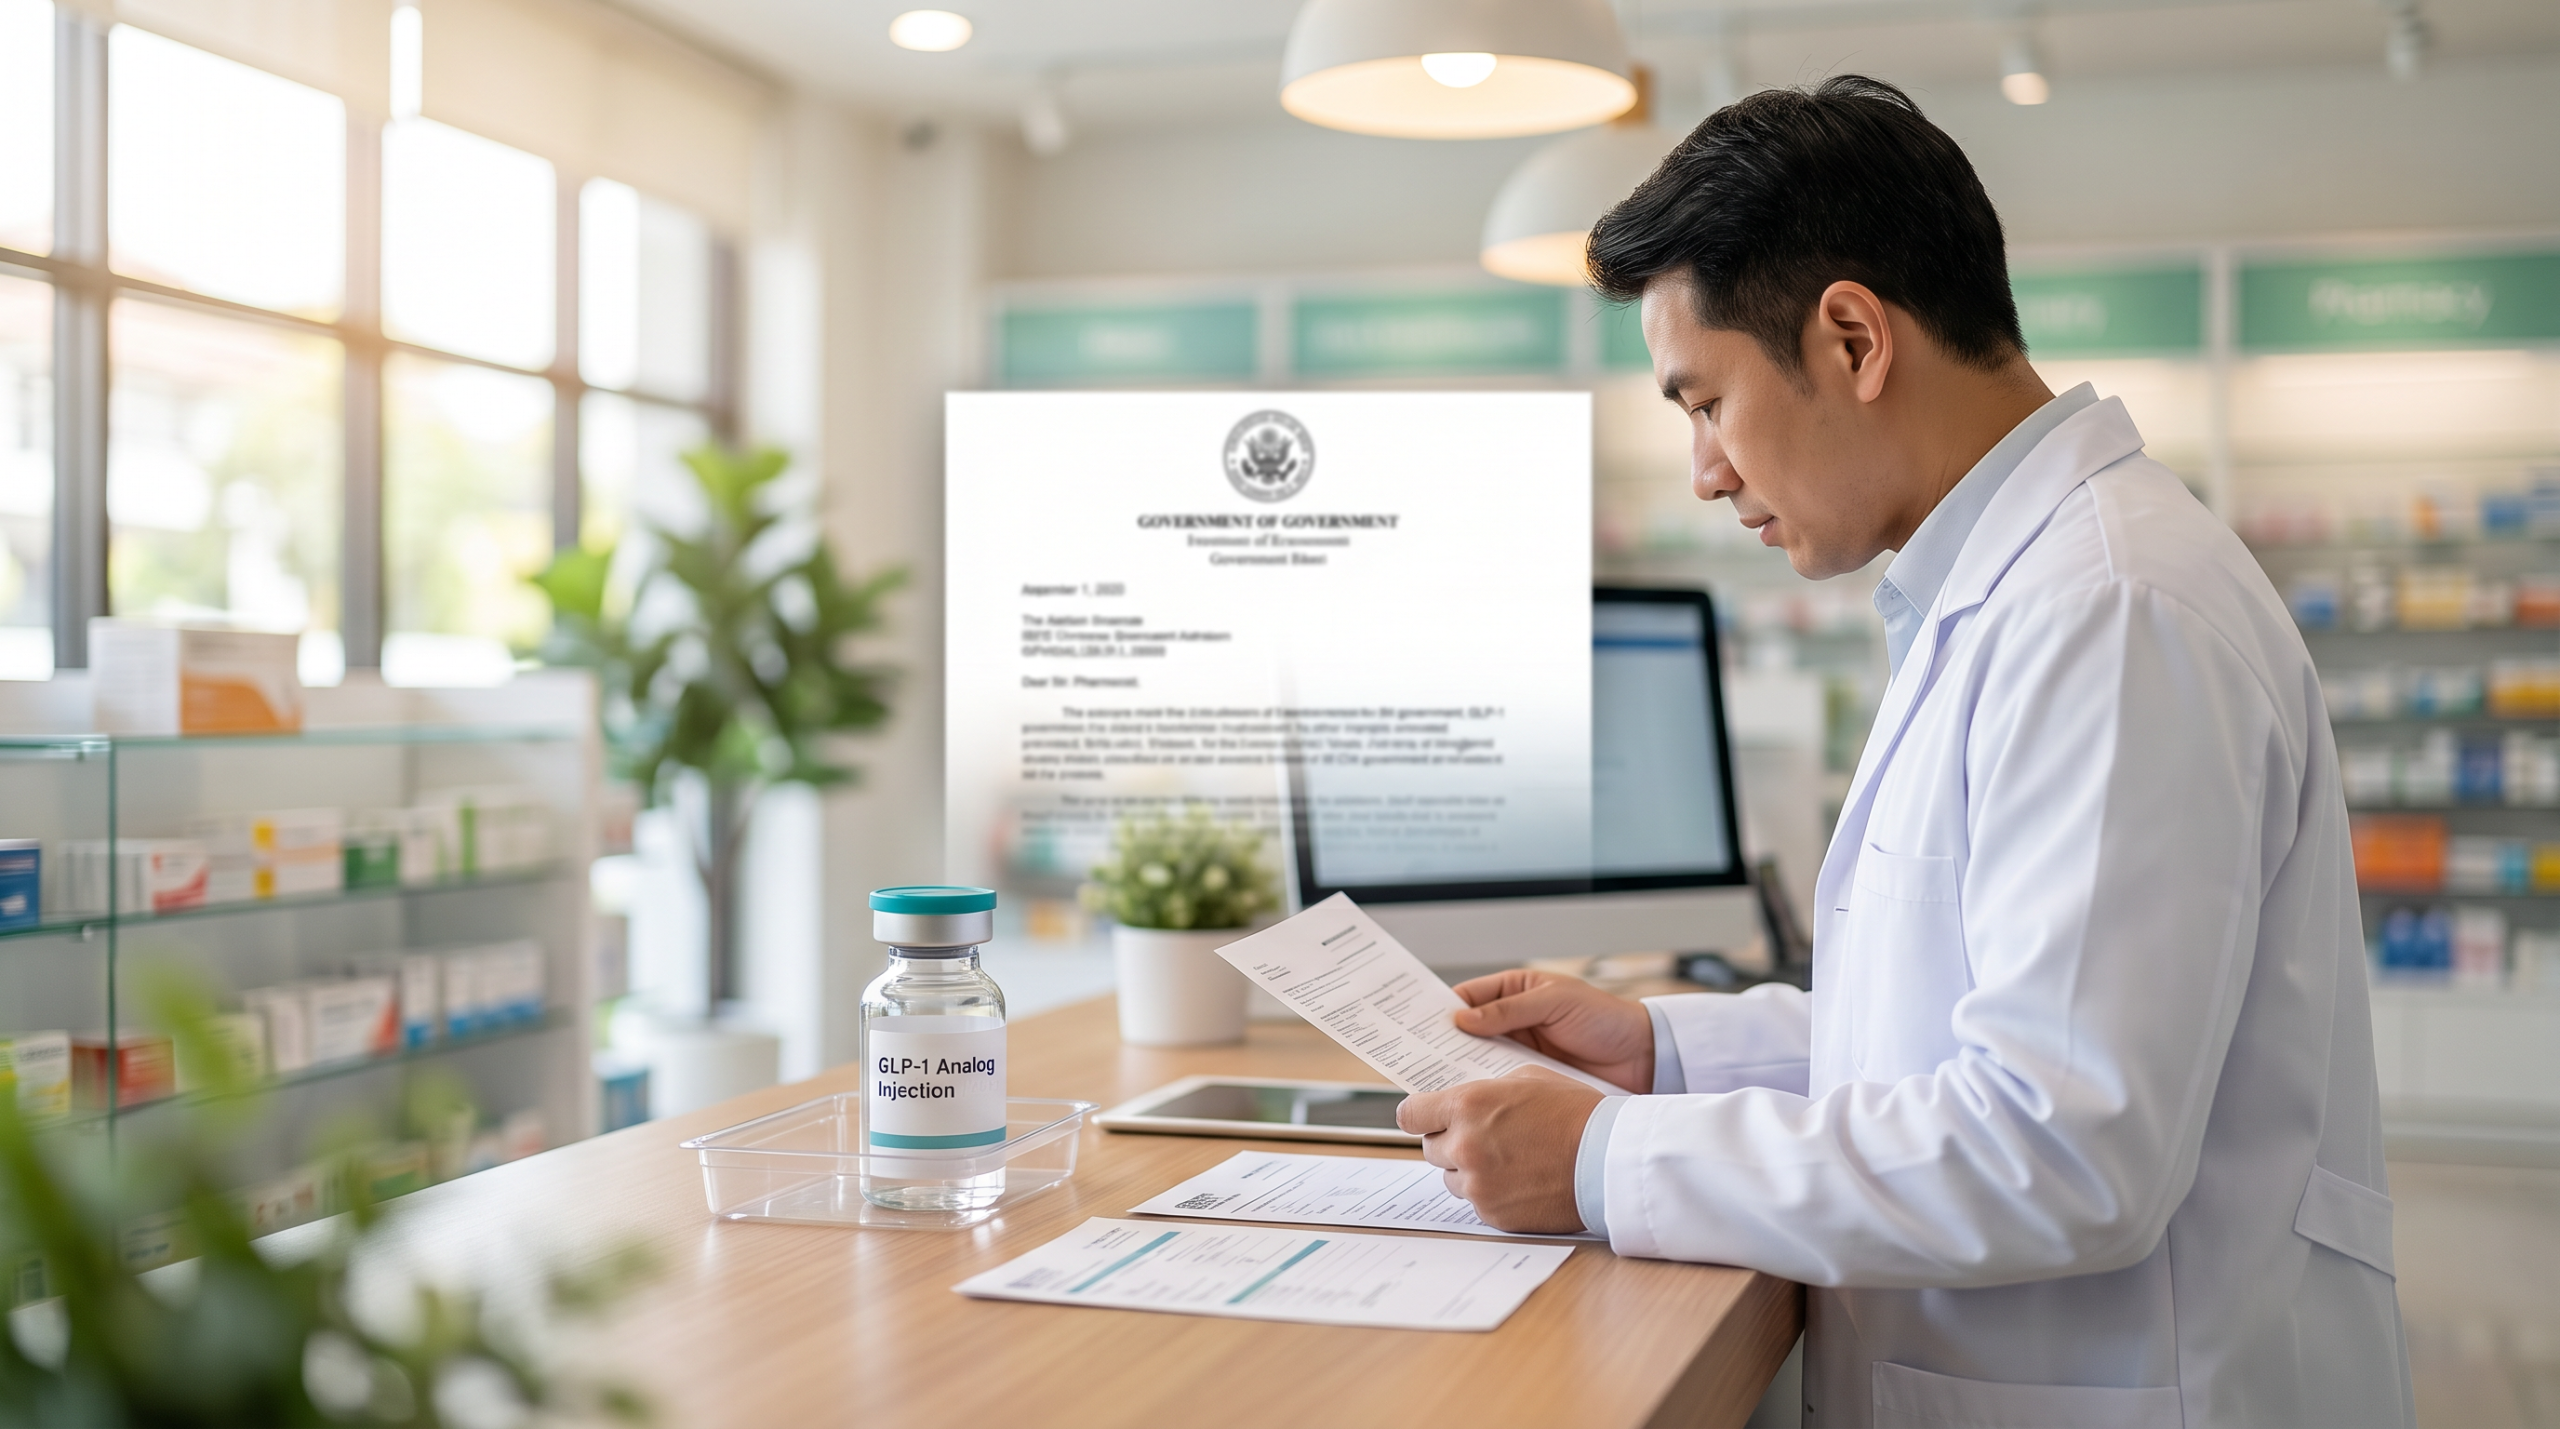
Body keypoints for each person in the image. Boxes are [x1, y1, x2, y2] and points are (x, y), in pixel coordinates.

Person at [1396, 76, 2412, 1427]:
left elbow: (2062, 1146)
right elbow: (1958, 1028)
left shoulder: (2107, 611)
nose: (1703, 469)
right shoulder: (2011, 593)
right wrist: (1665, 1050)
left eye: (1704, 402)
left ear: (1853, 338)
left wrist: (1607, 1161)